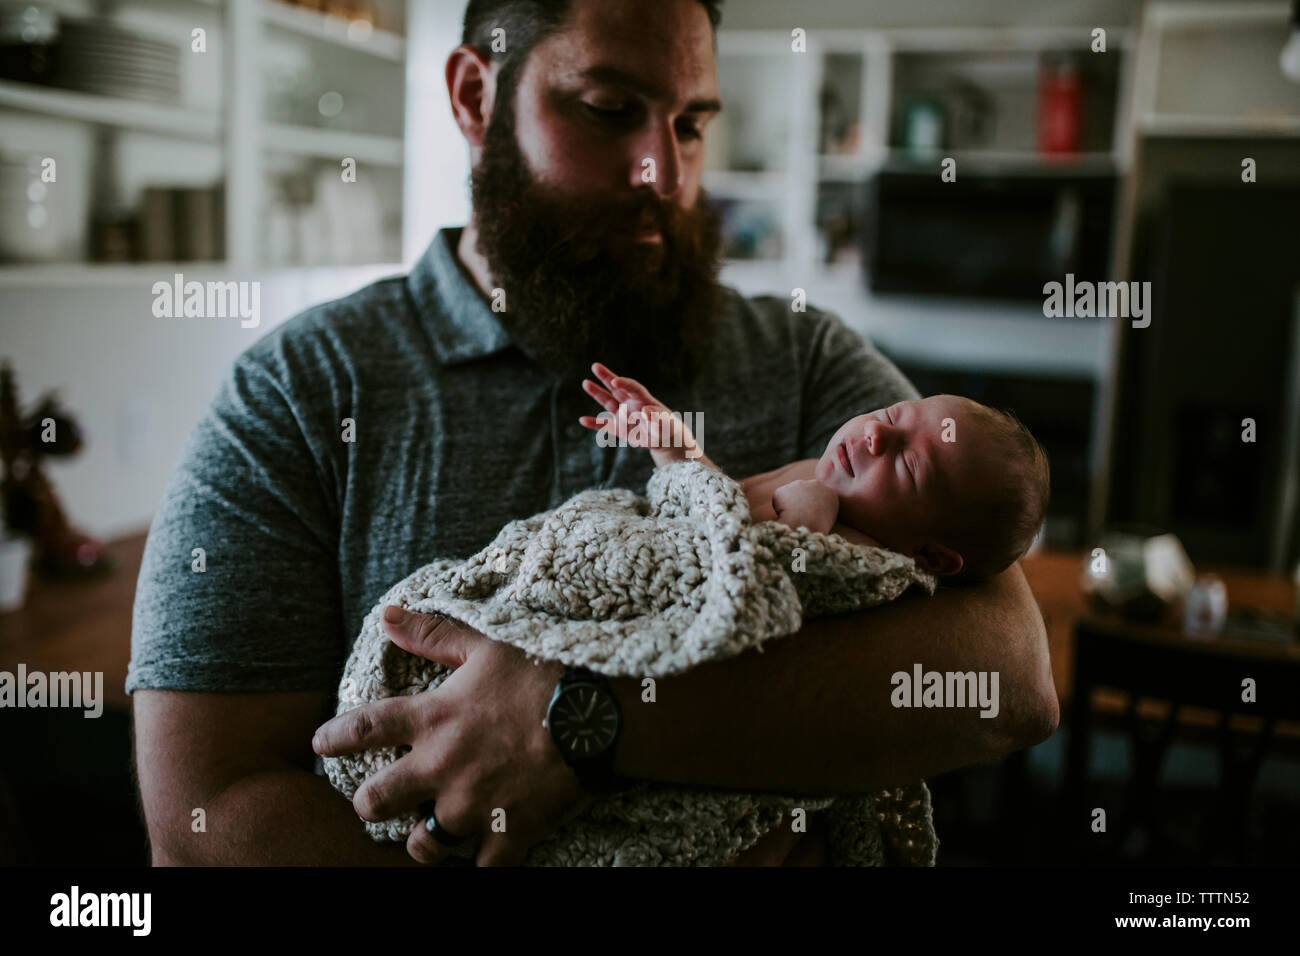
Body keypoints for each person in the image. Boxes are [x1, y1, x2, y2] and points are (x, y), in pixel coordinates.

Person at [130, 0, 1058, 867]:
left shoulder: (805, 357)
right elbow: (203, 817)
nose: (669, 173)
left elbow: (1011, 672)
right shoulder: (294, 393)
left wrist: (579, 718)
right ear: (473, 95)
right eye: (610, 109)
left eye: (692, 123)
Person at [579, 362, 1051, 581]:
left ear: (930, 557)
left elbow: (743, 578)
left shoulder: (864, 559)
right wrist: (674, 448)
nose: (875, 436)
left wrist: (801, 529)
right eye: (890, 415)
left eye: (907, 464)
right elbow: (713, 503)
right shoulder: (821, 474)